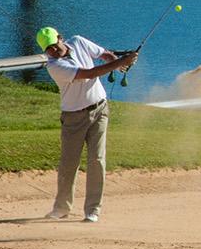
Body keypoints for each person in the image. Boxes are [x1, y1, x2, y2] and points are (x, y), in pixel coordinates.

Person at [37, 26, 138, 222]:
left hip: (100, 109)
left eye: (54, 45)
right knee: (69, 163)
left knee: (97, 160)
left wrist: (118, 63)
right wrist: (121, 61)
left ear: (60, 38)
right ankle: (61, 208)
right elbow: (90, 73)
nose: (53, 51)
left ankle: (93, 210)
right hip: (73, 117)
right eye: (48, 49)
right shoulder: (54, 66)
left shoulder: (78, 41)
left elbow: (104, 55)